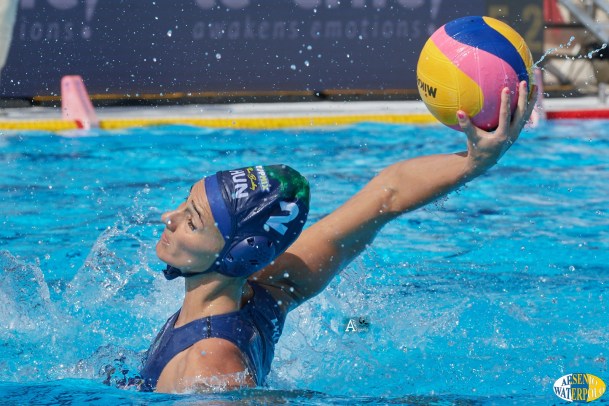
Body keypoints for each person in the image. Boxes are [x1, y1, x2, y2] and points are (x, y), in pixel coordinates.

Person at [139, 81, 538, 393]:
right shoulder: (270, 288)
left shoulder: (211, 365)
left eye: (191, 221)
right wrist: (475, 161)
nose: (168, 218)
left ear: (238, 255)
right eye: (184, 208)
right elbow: (386, 196)